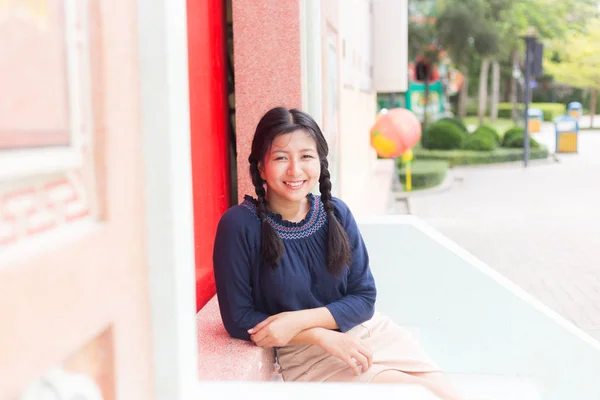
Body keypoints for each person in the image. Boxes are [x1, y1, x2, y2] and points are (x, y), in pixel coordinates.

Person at [213, 107, 463, 399]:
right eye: (281, 158)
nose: (295, 170)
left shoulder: (336, 213)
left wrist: (300, 320)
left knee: (449, 394)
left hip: (369, 334)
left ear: (319, 161)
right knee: (416, 394)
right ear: (260, 167)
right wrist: (318, 335)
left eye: (306, 156)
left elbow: (364, 296)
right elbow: (238, 318)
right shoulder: (239, 225)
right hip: (309, 356)